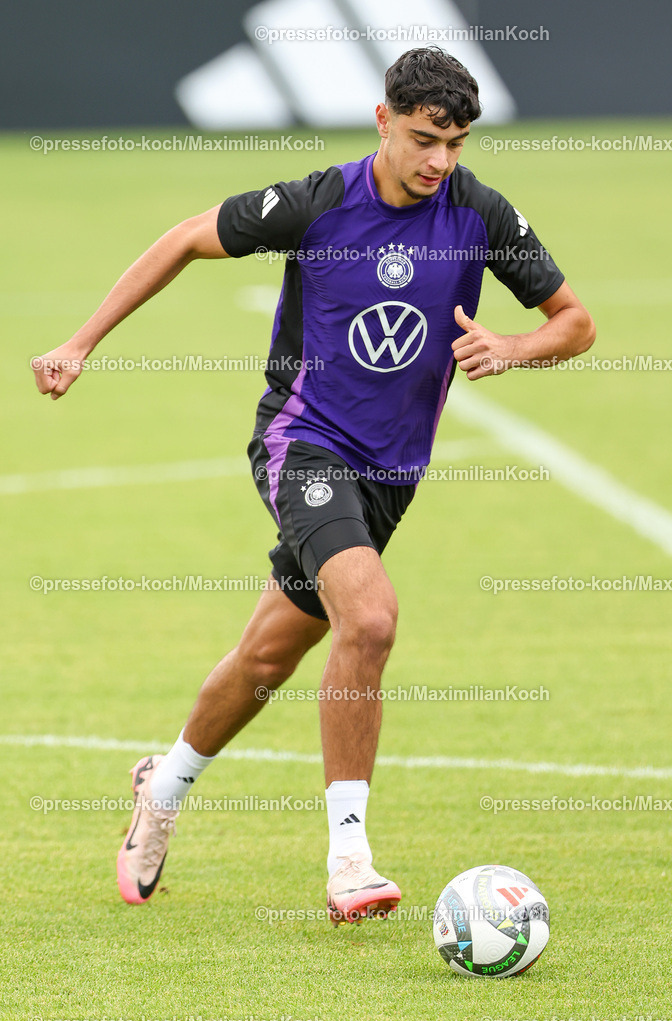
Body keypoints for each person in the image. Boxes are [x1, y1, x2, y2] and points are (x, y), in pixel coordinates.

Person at [31, 47, 595, 924]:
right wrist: (79, 342)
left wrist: (511, 347)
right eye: (421, 139)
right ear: (382, 120)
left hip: (389, 477)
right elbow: (185, 237)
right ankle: (349, 863)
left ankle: (162, 786)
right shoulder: (318, 203)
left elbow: (575, 323)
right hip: (303, 447)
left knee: (269, 655)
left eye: (453, 142)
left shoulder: (479, 212)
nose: (438, 161)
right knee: (367, 619)